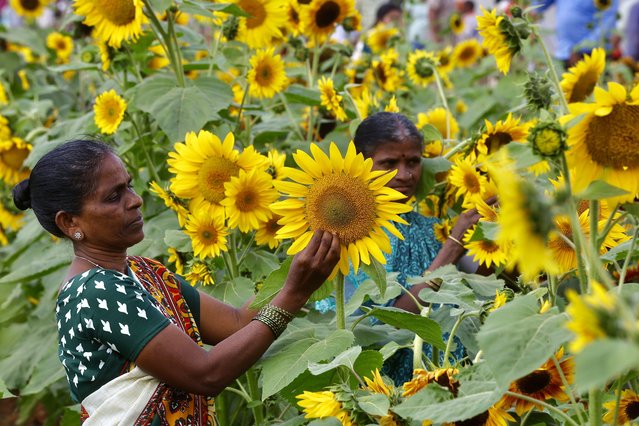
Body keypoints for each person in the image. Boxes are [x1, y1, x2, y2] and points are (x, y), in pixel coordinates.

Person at [12, 139, 341, 424]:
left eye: (128, 185)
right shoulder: (95, 292)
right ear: (70, 222)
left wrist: (300, 261)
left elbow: (238, 323)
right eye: (114, 197)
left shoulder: (144, 272)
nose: (135, 199)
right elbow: (206, 373)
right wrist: (294, 294)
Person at [315, 112, 481, 385]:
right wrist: (451, 248)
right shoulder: (352, 234)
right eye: (389, 163)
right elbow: (378, 328)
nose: (405, 175)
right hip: (388, 387)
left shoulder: (433, 227)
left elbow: (484, 280)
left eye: (413, 162)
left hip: (448, 379)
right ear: (361, 165)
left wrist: (498, 232)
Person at [531, 0, 620, 67]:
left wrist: (581, 50)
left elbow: (608, 23)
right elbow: (536, 6)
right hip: (563, 54)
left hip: (591, 57)